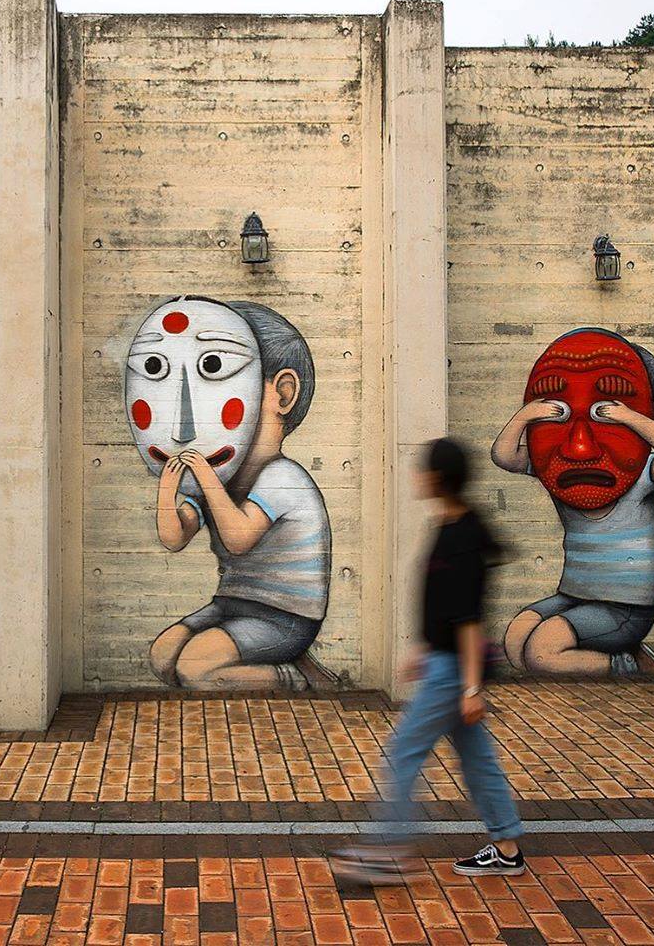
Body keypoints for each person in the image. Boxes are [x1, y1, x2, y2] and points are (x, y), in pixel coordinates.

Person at [330, 438, 524, 883]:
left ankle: (390, 851)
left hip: (452, 671)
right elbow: (444, 606)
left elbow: (469, 620)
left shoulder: (460, 538)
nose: (416, 476)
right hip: (445, 662)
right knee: (477, 760)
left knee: (403, 753)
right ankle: (507, 846)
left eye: (422, 470)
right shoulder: (454, 523)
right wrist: (424, 647)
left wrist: (471, 689)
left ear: (437, 478)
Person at [126, 296, 335, 692]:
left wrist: (206, 480)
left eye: (217, 374)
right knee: (163, 657)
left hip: (284, 617)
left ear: (282, 394)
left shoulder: (283, 477)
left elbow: (238, 538)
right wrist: (168, 491)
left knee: (195, 669)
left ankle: (293, 677)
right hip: (230, 604)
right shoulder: (220, 477)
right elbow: (174, 537)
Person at [492, 327, 654, 677]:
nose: (580, 448)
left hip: (625, 607)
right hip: (576, 596)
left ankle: (629, 666)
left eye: (601, 416)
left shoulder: (642, 474)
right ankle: (610, 651)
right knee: (515, 641)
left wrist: (628, 417)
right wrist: (526, 415)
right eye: (560, 415)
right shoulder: (555, 467)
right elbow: (504, 456)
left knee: (541, 653)